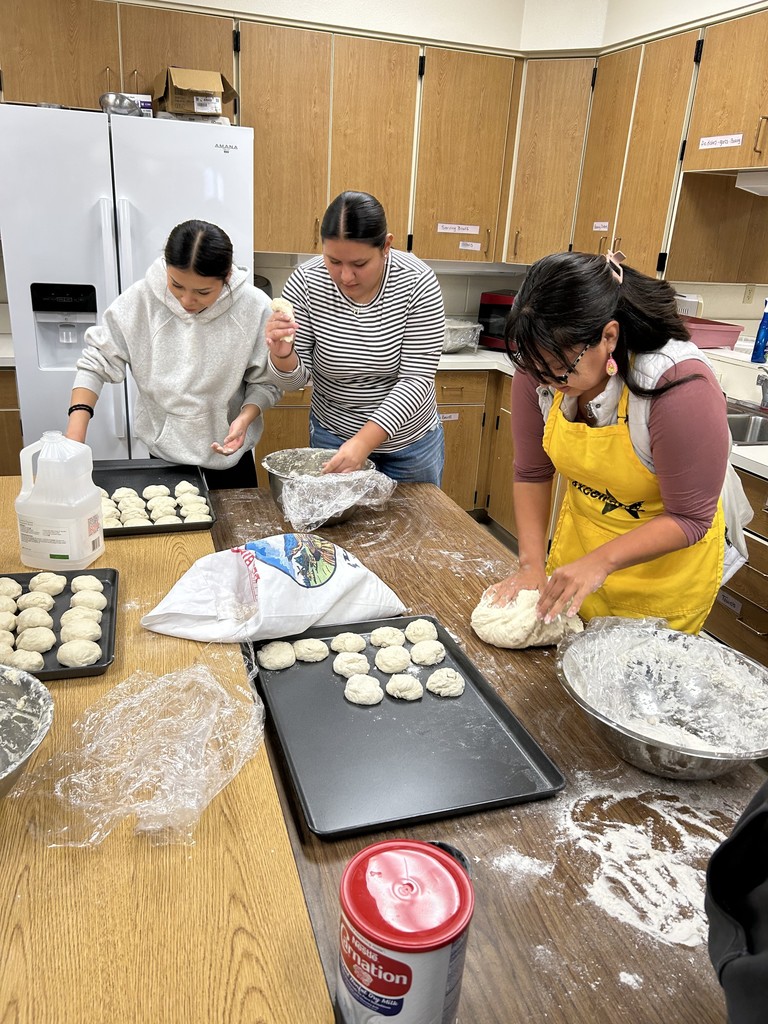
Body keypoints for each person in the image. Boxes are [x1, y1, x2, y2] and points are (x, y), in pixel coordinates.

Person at [486, 249, 751, 635]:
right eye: (536, 369)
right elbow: (531, 471)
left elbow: (690, 517)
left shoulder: (675, 385)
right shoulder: (541, 366)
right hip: (581, 560)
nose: (545, 382)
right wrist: (530, 564)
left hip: (663, 581)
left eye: (561, 371)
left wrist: (602, 562)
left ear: (608, 336)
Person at [65, 219, 281, 489]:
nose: (187, 301)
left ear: (226, 276)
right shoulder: (142, 300)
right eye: (176, 286)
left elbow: (267, 382)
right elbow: (96, 362)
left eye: (203, 292)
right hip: (163, 459)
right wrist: (75, 437)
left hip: (231, 459)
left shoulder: (254, 307)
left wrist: (244, 418)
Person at [264, 191, 446, 482]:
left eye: (359, 264)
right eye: (333, 261)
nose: (345, 276)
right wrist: (282, 355)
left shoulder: (417, 281)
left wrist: (363, 442)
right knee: (337, 527)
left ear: (386, 245)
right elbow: (296, 381)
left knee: (411, 525)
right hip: (334, 436)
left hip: (410, 443)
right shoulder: (306, 282)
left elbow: (416, 380)